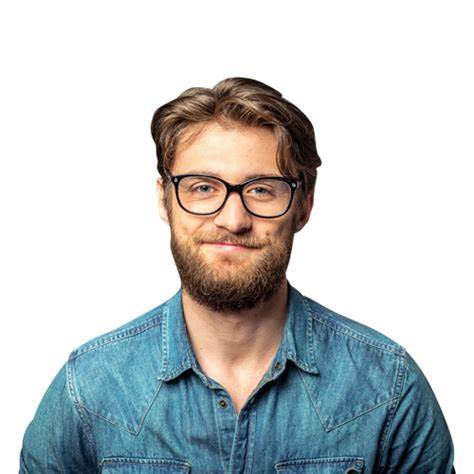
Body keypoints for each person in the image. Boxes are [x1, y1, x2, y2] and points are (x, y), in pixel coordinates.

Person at [20, 77, 455, 473]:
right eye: (202, 187)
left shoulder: (388, 388)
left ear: (304, 207)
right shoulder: (90, 389)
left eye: (262, 189)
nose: (233, 219)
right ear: (164, 200)